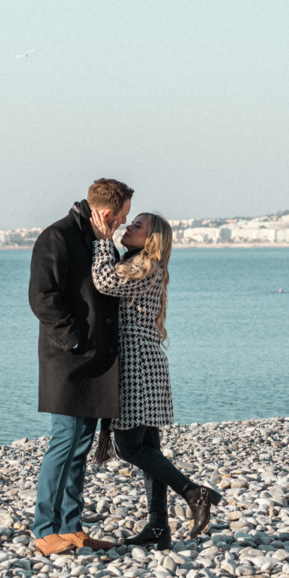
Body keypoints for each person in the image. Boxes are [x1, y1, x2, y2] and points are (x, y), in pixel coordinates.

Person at [90, 209, 221, 549]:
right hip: (146, 363)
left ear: (152, 240)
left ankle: (194, 492)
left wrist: (103, 242)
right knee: (149, 449)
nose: (129, 227)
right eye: (131, 223)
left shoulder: (148, 265)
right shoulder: (141, 263)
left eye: (138, 226)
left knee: (129, 446)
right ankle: (159, 527)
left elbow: (106, 281)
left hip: (137, 364)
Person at [28, 178, 134, 556]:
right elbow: (43, 298)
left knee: (79, 447)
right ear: (106, 214)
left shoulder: (94, 239)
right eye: (121, 218)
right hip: (68, 361)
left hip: (93, 362)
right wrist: (76, 341)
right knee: (65, 442)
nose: (122, 224)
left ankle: (71, 528)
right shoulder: (57, 237)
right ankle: (44, 531)